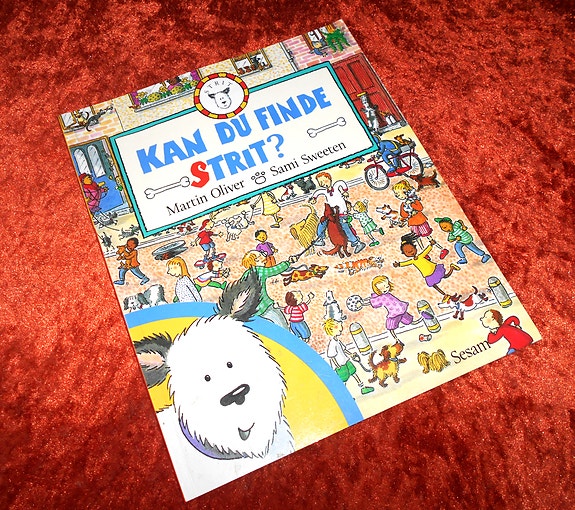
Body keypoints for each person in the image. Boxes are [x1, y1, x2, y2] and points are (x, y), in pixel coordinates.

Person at [309, 171, 366, 254]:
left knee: (345, 227)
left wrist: (345, 191)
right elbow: (318, 192)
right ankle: (320, 239)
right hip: (332, 214)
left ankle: (357, 243)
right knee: (322, 223)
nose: (323, 184)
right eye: (320, 183)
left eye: (324, 181)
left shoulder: (336, 186)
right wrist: (314, 198)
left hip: (341, 213)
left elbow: (341, 183)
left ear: (329, 179)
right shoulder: (325, 192)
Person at [241, 250, 298, 328]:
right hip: (265, 306)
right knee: (282, 324)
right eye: (261, 255)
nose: (264, 256)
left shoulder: (246, 274)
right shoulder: (259, 271)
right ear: (256, 260)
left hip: (252, 311)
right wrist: (288, 262)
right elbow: (275, 270)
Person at [393, 233, 459, 299]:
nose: (411, 252)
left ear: (415, 248)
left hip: (433, 269)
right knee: (434, 285)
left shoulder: (420, 256)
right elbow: (405, 263)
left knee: (445, 276)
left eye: (412, 249)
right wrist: (398, 264)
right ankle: (444, 295)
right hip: (427, 275)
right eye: (407, 252)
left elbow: (426, 251)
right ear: (404, 254)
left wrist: (431, 245)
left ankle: (452, 268)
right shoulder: (412, 261)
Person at [324, 318, 374, 395]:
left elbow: (344, 350)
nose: (340, 329)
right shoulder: (332, 344)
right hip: (340, 365)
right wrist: (337, 365)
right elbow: (332, 356)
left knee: (353, 372)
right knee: (343, 379)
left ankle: (363, 388)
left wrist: (350, 354)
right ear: (331, 330)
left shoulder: (337, 341)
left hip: (346, 361)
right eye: (337, 327)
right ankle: (344, 394)